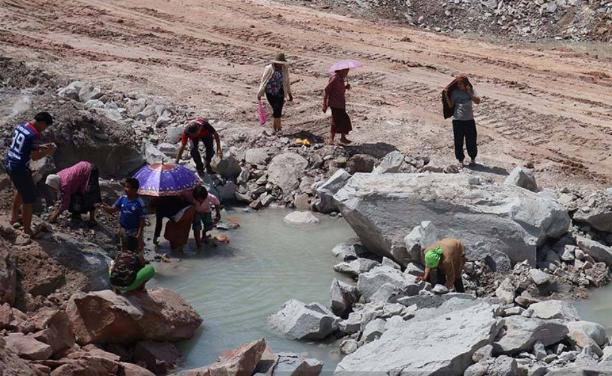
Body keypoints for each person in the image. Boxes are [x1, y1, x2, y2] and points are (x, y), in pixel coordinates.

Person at [4, 112, 56, 236]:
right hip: (20, 168)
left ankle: (14, 218)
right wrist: (48, 152)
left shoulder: (22, 126)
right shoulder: (34, 134)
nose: (44, 129)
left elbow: (25, 145)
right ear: (42, 123)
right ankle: (27, 230)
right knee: (29, 199)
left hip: (10, 162)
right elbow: (34, 156)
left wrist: (41, 146)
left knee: (21, 189)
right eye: (45, 126)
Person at [45, 161, 101, 226]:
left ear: (55, 183)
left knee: (90, 195)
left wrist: (55, 216)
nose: (52, 189)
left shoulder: (65, 184)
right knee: (74, 195)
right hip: (82, 172)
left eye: (52, 187)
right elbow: (65, 195)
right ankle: (76, 213)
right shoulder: (58, 176)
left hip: (90, 170)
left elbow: (65, 202)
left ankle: (92, 219)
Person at [443, 75, 481, 166]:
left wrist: (469, 93)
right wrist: (446, 95)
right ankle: (460, 160)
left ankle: (472, 159)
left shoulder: (471, 91)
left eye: (461, 84)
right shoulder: (454, 92)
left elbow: (477, 101)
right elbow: (451, 105)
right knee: (458, 141)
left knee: (471, 140)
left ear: (466, 84)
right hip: (458, 121)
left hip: (469, 120)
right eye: (458, 84)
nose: (459, 86)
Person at [99, 178, 146, 252]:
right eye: (125, 186)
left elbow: (142, 221)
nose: (125, 189)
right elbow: (112, 210)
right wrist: (102, 206)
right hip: (123, 229)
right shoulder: (122, 199)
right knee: (123, 251)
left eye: (128, 187)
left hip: (134, 231)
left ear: (135, 189)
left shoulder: (139, 203)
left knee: (135, 253)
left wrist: (139, 235)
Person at [257, 52, 294, 133]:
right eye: (279, 63)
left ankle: (277, 128)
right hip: (270, 92)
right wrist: (259, 93)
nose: (280, 65)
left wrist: (289, 94)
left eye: (281, 63)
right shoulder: (269, 68)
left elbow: (287, 81)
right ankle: (276, 128)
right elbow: (263, 81)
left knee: (278, 109)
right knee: (276, 108)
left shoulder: (284, 68)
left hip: (280, 91)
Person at [323, 68, 352, 145]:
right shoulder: (335, 78)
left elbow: (339, 89)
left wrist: (346, 87)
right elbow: (327, 90)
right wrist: (324, 104)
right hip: (335, 103)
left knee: (343, 120)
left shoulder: (341, 79)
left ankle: (342, 138)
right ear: (341, 71)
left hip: (341, 103)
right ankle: (331, 139)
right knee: (336, 121)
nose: (346, 74)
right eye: (346, 72)